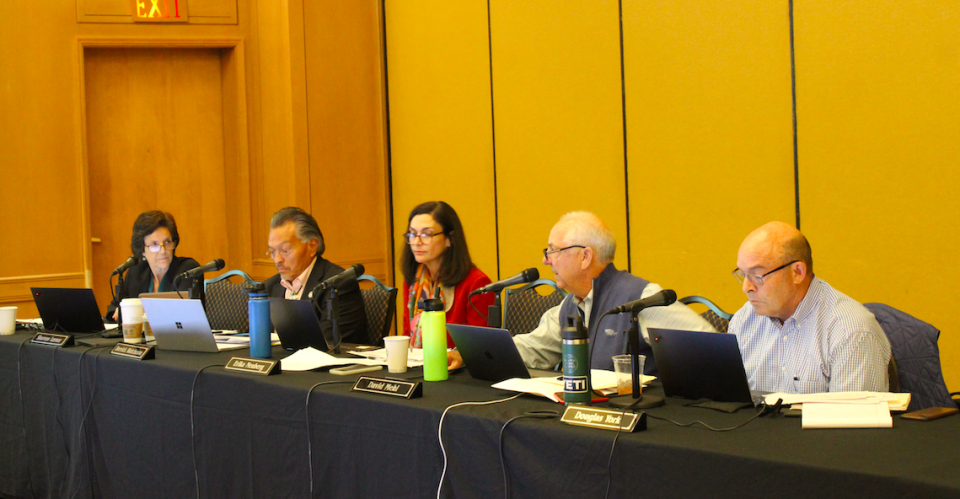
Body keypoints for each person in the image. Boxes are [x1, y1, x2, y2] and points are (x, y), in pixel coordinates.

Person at [452, 211, 715, 373]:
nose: (546, 260)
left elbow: (709, 348)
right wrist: (469, 352)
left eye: (553, 250)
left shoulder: (641, 297)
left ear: (585, 257)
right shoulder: (571, 305)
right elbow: (536, 347)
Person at [729, 221, 891, 393]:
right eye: (743, 274)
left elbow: (852, 418)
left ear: (797, 272)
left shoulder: (851, 331)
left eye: (757, 275)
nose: (746, 287)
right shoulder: (744, 321)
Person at [264, 207, 369, 345]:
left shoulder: (337, 286)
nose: (277, 259)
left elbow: (330, 344)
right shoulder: (269, 287)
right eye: (272, 252)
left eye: (285, 250)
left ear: (312, 246)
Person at [400, 201, 495, 348]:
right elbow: (407, 336)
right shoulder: (413, 282)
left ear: (450, 239)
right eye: (412, 234)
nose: (417, 242)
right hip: (417, 365)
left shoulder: (476, 284)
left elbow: (481, 346)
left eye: (426, 234)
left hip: (456, 368)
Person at [107, 211, 199, 320]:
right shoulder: (136, 272)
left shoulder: (188, 270)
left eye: (167, 242)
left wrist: (134, 312)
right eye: (154, 244)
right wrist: (120, 312)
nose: (163, 250)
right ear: (142, 250)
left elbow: (179, 312)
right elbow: (113, 308)